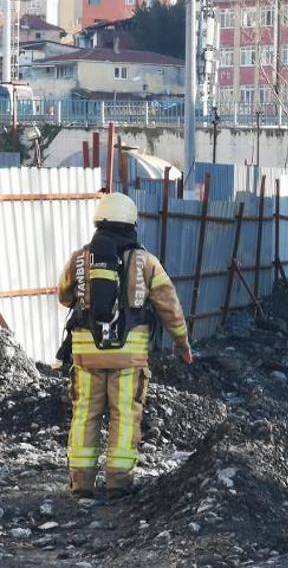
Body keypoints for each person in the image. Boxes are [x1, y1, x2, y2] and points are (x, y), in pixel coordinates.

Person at [57, 193, 193, 499]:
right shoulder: (147, 262)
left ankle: (81, 482)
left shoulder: (80, 259)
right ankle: (118, 481)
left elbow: (64, 296)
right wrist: (182, 343)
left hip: (86, 354)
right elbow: (169, 306)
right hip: (128, 356)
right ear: (132, 223)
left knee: (85, 415)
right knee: (125, 415)